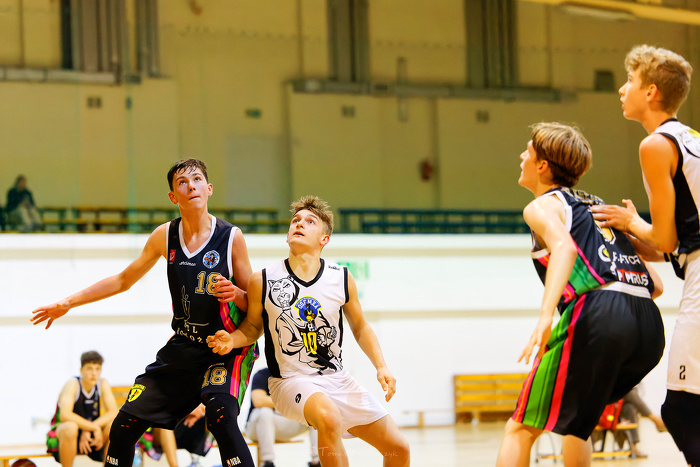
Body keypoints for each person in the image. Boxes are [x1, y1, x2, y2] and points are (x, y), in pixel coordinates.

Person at [31, 159, 259, 467]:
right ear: (173, 196)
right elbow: (122, 280)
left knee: (221, 419)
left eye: (196, 179)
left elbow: (254, 308)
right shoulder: (165, 236)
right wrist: (68, 303)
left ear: (209, 189)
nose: (190, 186)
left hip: (226, 347)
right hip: (184, 346)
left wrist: (237, 295)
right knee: (123, 426)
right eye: (182, 182)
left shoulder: (231, 237)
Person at [496, 122, 665, 467]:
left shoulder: (542, 206)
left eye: (528, 151)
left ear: (542, 165)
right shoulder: (598, 207)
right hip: (649, 326)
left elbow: (565, 248)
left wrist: (545, 318)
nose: (521, 156)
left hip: (599, 313)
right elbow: (657, 286)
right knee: (578, 425)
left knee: (520, 428)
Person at [206, 195, 410, 467]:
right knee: (328, 417)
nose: (299, 224)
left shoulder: (341, 277)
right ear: (287, 235)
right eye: (295, 220)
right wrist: (231, 340)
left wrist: (381, 366)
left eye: (310, 221)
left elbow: (360, 326)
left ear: (324, 239)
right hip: (289, 380)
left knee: (398, 448)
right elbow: (253, 326)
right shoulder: (263, 279)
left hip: (337, 379)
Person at [589, 44, 700, 466]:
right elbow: (675, 244)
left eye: (630, 81)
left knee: (682, 408)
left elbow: (667, 240)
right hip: (694, 262)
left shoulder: (655, 144)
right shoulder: (691, 139)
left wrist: (630, 221)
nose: (622, 89)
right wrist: (635, 235)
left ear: (651, 91)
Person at [46, 351, 118, 467]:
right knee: (70, 427)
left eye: (97, 369)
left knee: (114, 426)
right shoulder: (73, 384)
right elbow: (65, 415)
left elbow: (113, 412)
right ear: (81, 370)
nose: (94, 373)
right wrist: (93, 427)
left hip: (90, 434)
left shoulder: (102, 383)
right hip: (65, 433)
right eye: (89, 369)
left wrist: (90, 428)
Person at [246, 367, 320, 467]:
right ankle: (267, 462)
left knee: (315, 414)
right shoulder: (262, 374)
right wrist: (290, 402)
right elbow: (259, 401)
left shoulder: (296, 376)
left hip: (282, 424)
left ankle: (317, 462)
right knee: (265, 411)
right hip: (256, 428)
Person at [139, 404, 212, 467]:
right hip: (161, 431)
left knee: (212, 415)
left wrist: (201, 410)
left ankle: (196, 460)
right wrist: (185, 409)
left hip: (190, 426)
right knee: (166, 424)